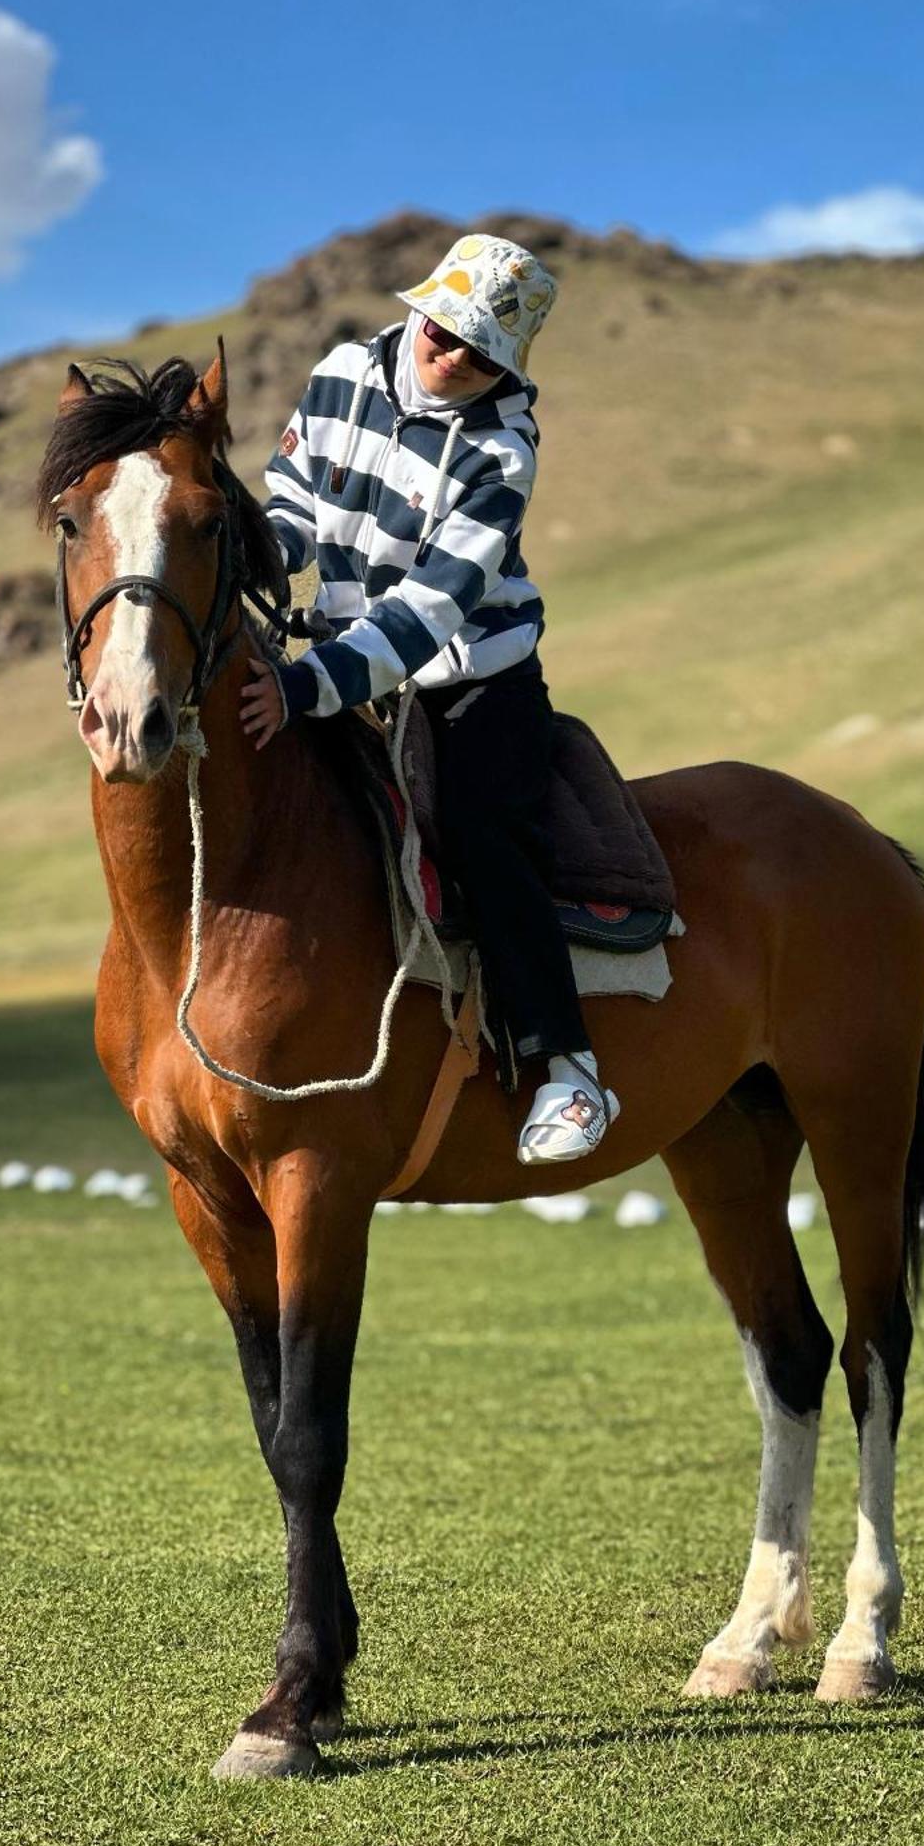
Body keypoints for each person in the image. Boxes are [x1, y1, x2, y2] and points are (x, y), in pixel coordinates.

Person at [239, 232, 618, 1165]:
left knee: (491, 838)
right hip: (335, 661)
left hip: (470, 675)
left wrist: (301, 690)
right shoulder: (340, 372)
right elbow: (290, 495)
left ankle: (566, 1070)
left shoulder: (504, 450)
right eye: (442, 331)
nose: (452, 355)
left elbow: (427, 611)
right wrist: (259, 560)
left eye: (480, 349)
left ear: (506, 361)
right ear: (418, 311)